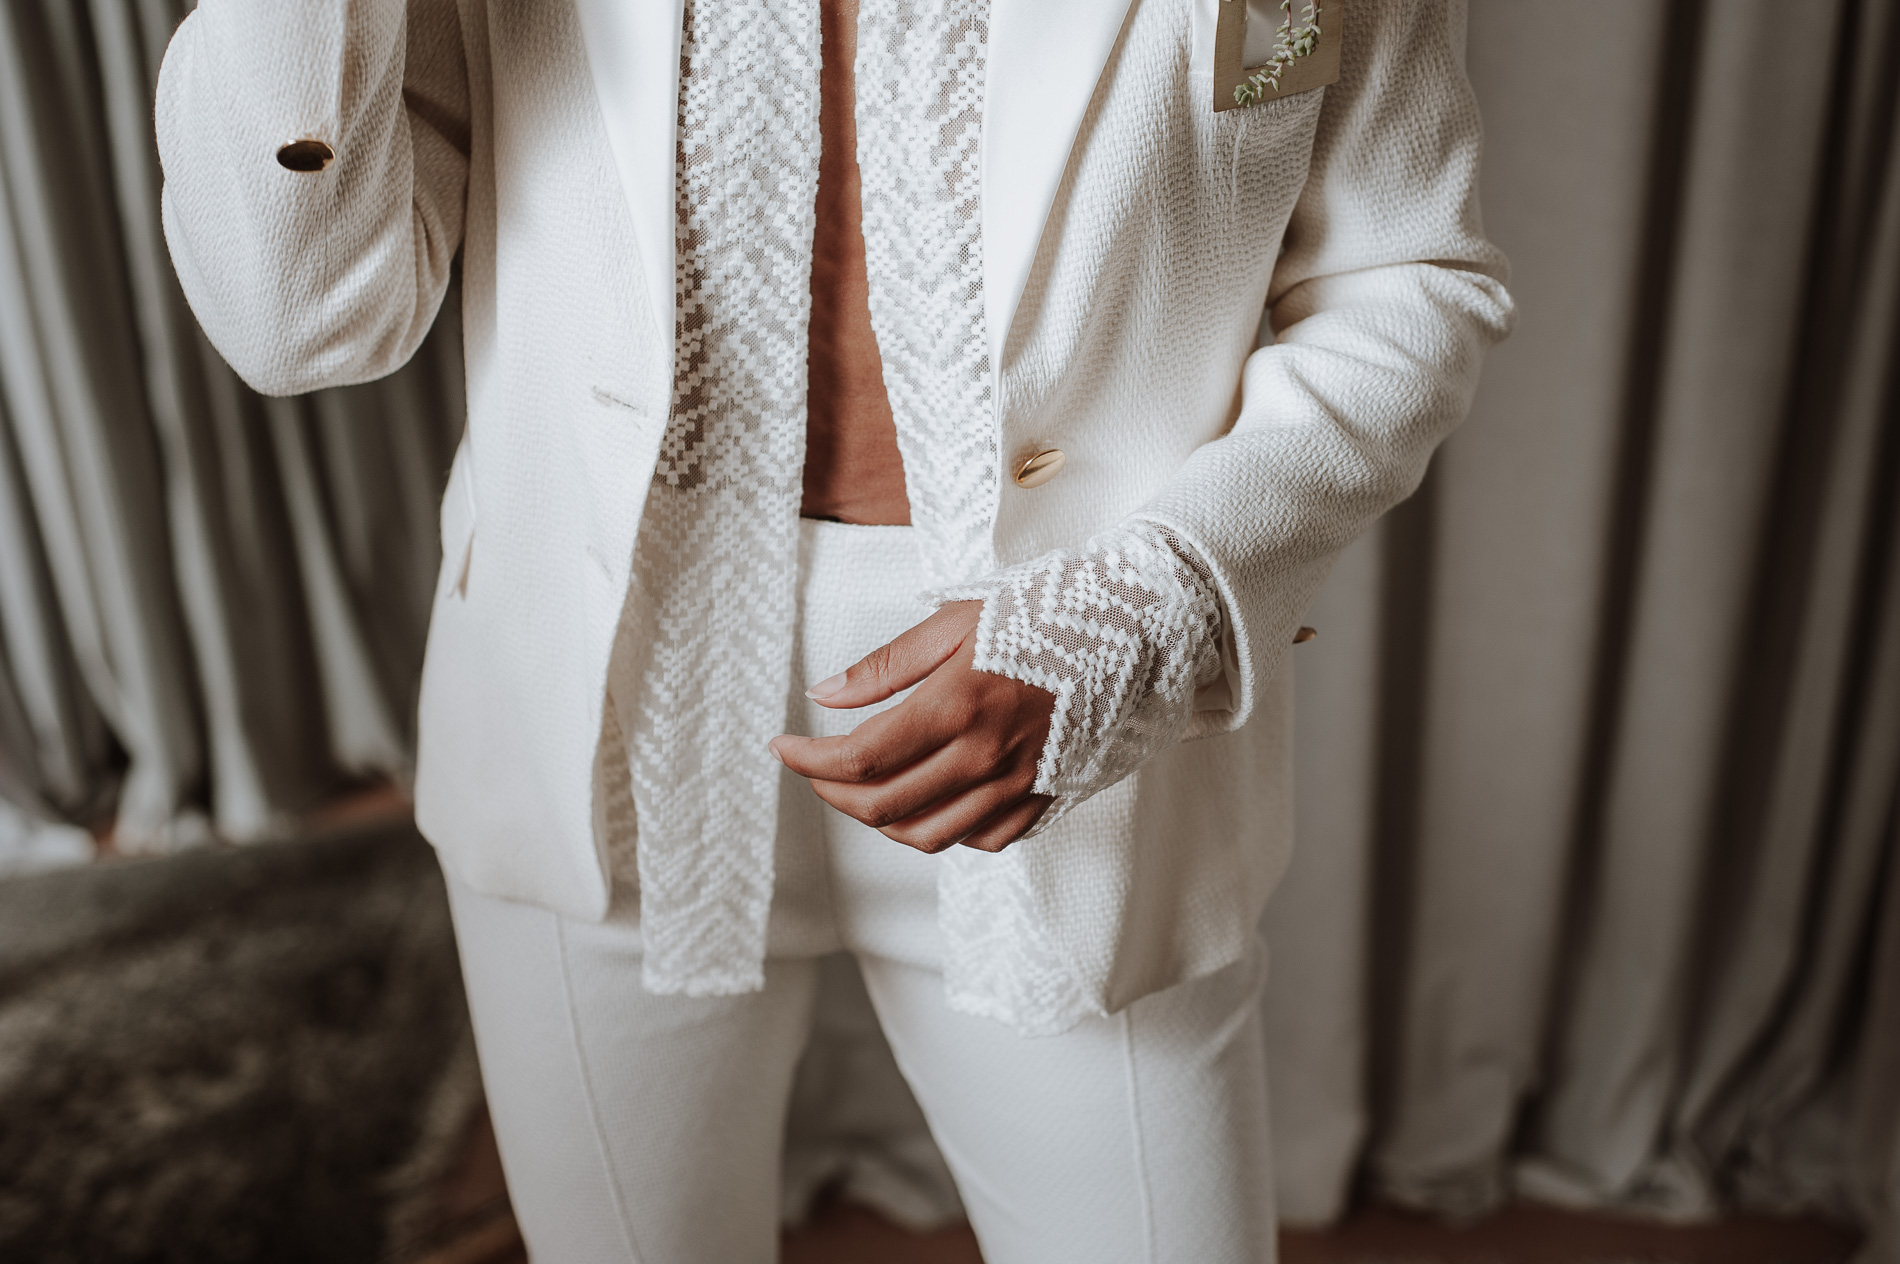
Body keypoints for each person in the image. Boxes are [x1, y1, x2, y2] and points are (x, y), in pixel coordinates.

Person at [156, 0, 1510, 1258]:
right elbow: (301, 324)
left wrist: (1145, 609)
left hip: (1070, 713)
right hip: (596, 695)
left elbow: (1407, 274)